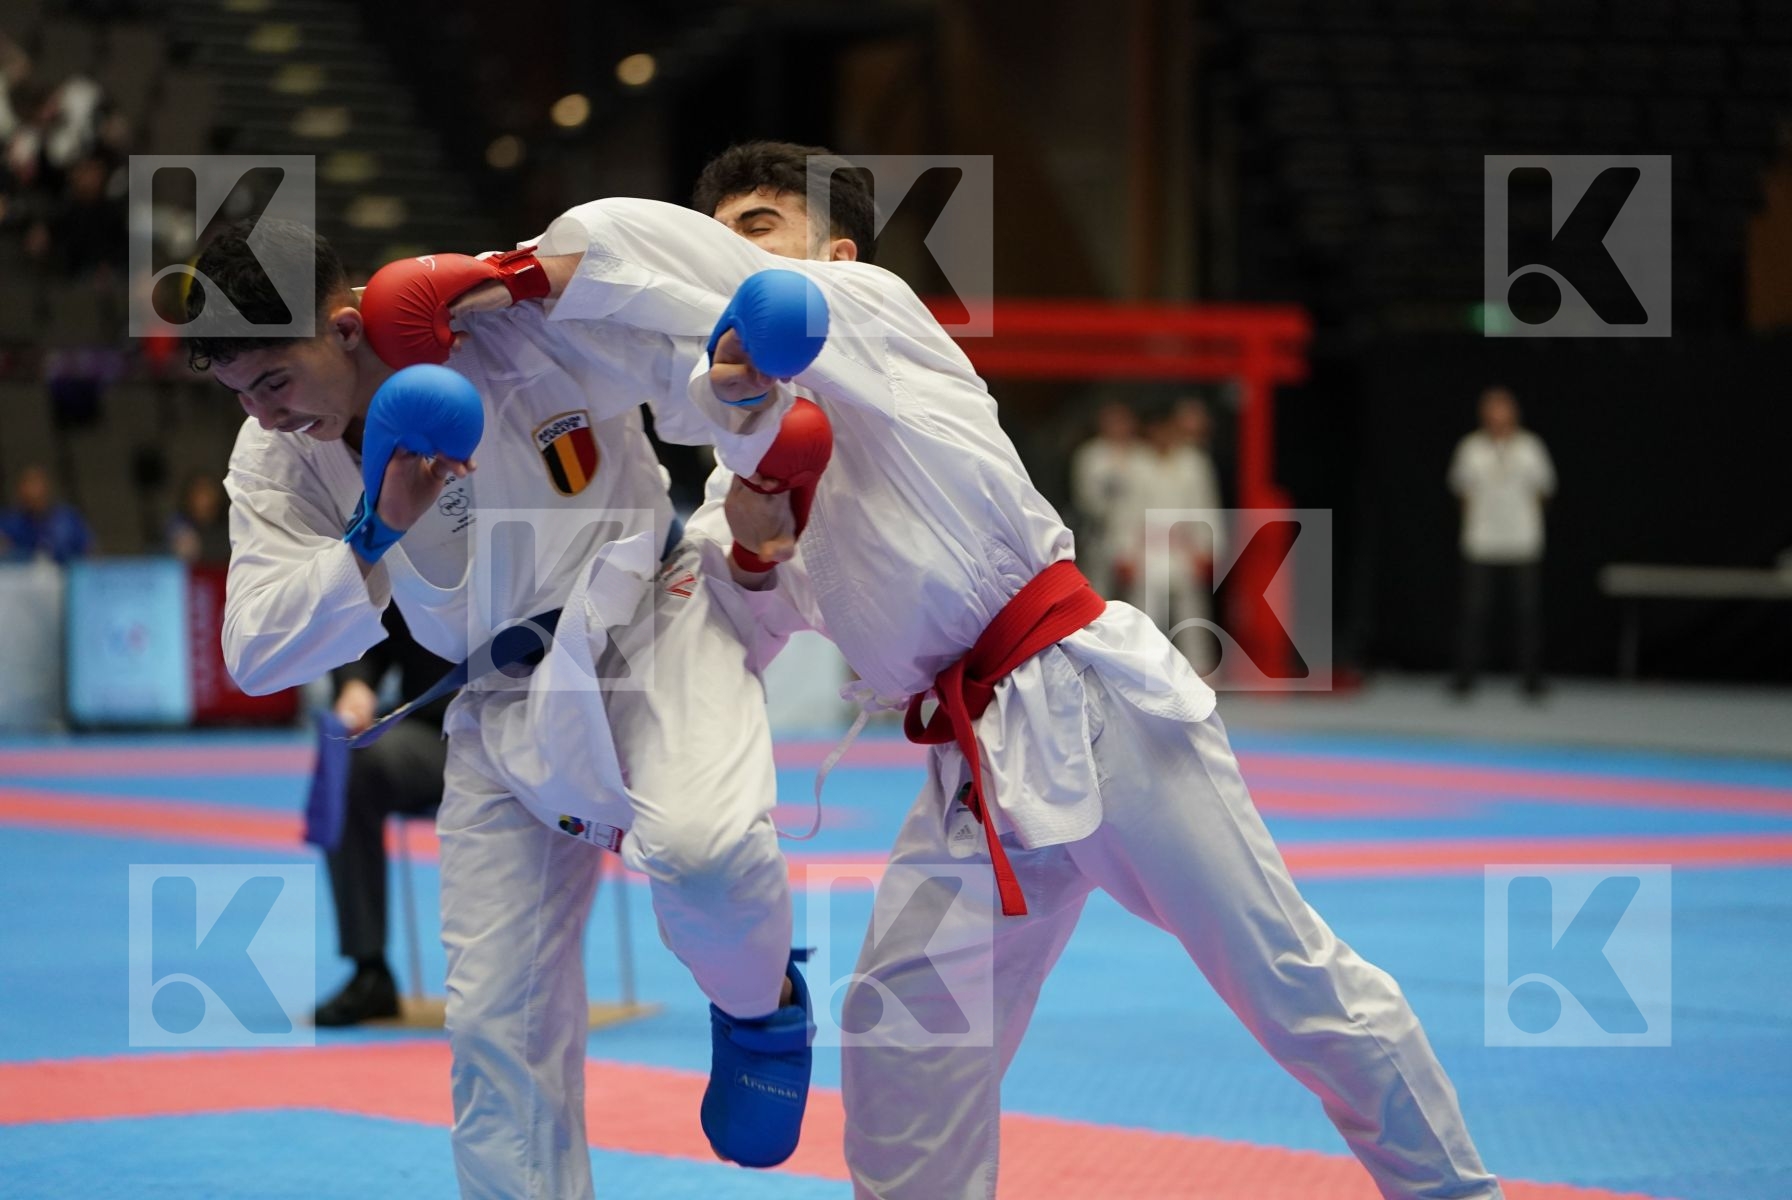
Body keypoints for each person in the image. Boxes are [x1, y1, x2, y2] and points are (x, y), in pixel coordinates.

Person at [475, 141, 1498, 1199]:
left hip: (1091, 708)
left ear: (835, 252)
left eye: (757, 227)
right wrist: (750, 545)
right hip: (972, 772)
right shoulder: (742, 466)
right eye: (720, 232)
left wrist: (516, 274)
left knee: (1292, 988)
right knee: (904, 1032)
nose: (730, 251)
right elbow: (725, 616)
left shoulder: (875, 311)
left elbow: (741, 298)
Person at [189, 216, 816, 1196]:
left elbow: (690, 360)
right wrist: (373, 531)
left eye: (275, 381)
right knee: (492, 1024)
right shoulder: (277, 459)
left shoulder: (501, 320)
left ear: (345, 328)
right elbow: (255, 650)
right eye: (240, 395)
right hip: (497, 700)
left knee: (705, 855)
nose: (266, 415)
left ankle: (759, 1003)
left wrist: (538, 281)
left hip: (653, 625)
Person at [314, 606, 451, 1026]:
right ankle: (369, 970)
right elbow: (371, 631)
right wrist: (356, 684)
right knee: (351, 764)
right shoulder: (411, 561)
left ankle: (529, 979)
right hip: (436, 734)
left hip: (529, 728)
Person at [1448, 386, 1555, 698]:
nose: (1497, 417)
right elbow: (1461, 492)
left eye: (1503, 410)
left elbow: (1544, 490)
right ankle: (1465, 677)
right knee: (1474, 611)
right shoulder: (1470, 448)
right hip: (1481, 541)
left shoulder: (1531, 447)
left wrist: (1522, 519)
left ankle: (1531, 678)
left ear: (1514, 413)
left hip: (1522, 541)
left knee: (1527, 612)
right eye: (1492, 410)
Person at [1120, 400, 1223, 672]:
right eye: (1157, 429)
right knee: (1145, 611)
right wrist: (1125, 552)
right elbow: (1126, 512)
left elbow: (1205, 505)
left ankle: (1199, 668)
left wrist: (1207, 547)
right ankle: (1143, 667)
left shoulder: (1193, 462)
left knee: (1192, 611)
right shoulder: (1136, 463)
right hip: (1148, 548)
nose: (1163, 434)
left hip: (1183, 547)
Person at [1068, 399, 1145, 600]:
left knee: (1140, 592)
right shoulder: (1090, 454)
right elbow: (1085, 497)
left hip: (1137, 535)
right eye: (1113, 421)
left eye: (1123, 420)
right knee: (1099, 589)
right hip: (1101, 533)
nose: (1118, 426)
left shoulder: (1143, 454)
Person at [0, 464, 92, 563]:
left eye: (36, 484)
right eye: (28, 484)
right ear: (20, 490)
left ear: (46, 487)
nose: (33, 491)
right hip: (22, 570)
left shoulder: (68, 519)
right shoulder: (10, 522)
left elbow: (89, 551)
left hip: (64, 569)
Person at [165, 471, 231, 565]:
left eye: (208, 492)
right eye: (199, 492)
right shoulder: (178, 523)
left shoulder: (230, 525)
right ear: (189, 497)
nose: (204, 499)